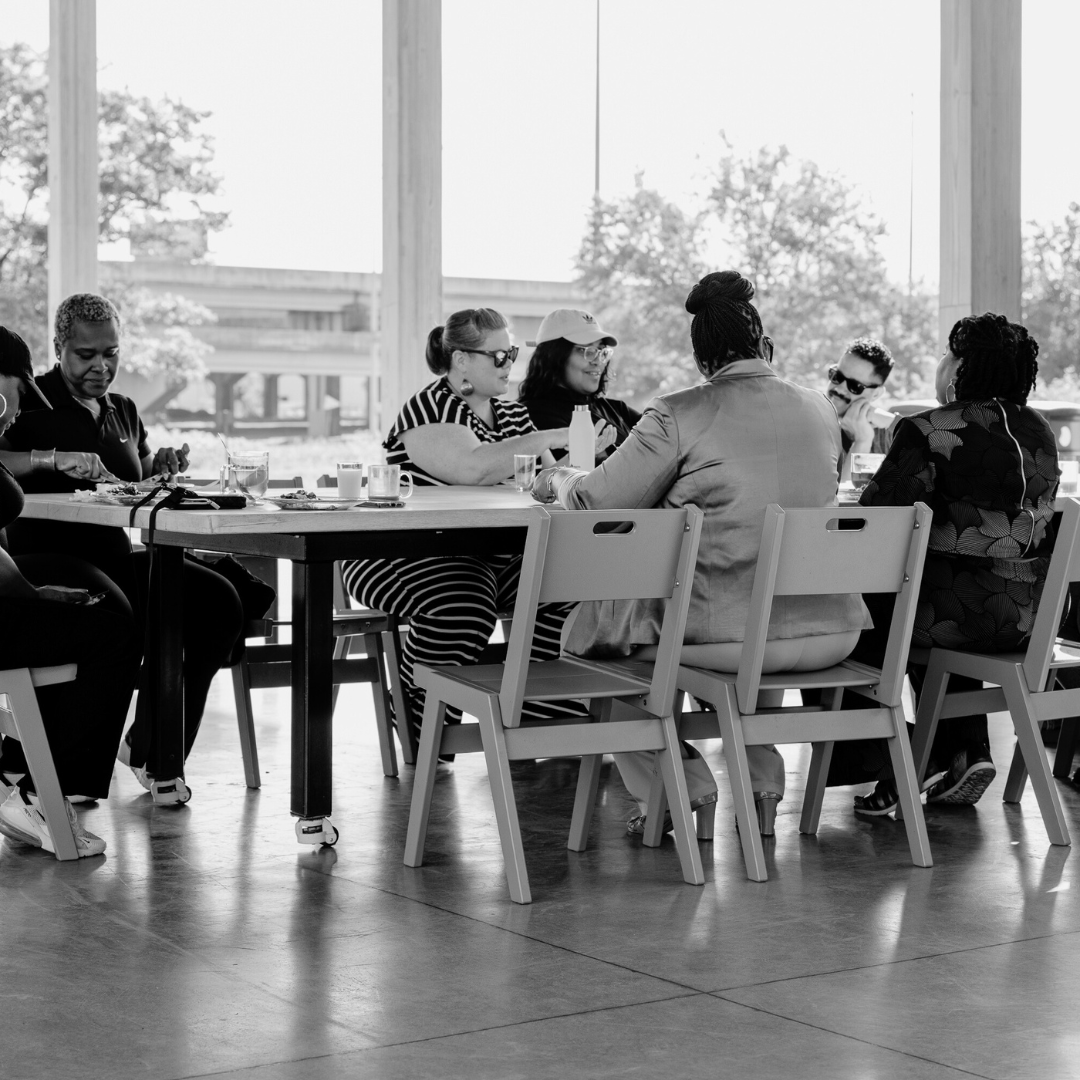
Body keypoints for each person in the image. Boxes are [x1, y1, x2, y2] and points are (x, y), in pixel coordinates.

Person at [532, 271, 871, 836]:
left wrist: (559, 477)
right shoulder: (819, 410)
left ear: (702, 360)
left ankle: (683, 787)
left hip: (729, 639)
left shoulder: (679, 411)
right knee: (753, 601)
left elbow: (596, 500)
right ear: (764, 347)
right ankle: (762, 786)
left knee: (595, 644)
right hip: (832, 631)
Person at [0, 294, 246, 805]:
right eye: (86, 355)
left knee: (217, 602)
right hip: (49, 555)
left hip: (112, 553)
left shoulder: (124, 409)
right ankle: (52, 779)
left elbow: (130, 479)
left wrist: (161, 464)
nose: (101, 366)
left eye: (110, 353)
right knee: (127, 616)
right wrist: (51, 459)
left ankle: (153, 750)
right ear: (59, 347)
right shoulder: (28, 397)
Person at [341, 307, 597, 735]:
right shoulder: (426, 408)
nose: (509, 364)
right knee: (464, 603)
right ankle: (421, 722)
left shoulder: (512, 414)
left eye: (511, 353)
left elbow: (548, 481)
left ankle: (535, 705)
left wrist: (584, 461)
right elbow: (472, 468)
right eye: (498, 356)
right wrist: (550, 437)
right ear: (461, 359)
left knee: (575, 583)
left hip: (490, 558)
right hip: (400, 553)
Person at [838, 313, 1057, 814]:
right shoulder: (1038, 430)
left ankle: (907, 758)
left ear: (961, 366)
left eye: (945, 353)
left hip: (952, 618)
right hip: (1028, 619)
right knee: (946, 583)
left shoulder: (929, 429)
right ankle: (964, 750)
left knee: (861, 606)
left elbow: (877, 519)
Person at [0, 330, 141, 856]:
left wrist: (30, 588)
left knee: (107, 605)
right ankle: (43, 796)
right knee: (115, 632)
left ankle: (24, 778)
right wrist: (32, 594)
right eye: (16, 393)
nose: (15, 413)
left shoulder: (122, 410)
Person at [517, 308, 637, 462]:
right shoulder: (529, 415)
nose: (597, 361)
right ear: (553, 357)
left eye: (601, 351)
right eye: (584, 350)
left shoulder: (616, 409)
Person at [826, 337, 897, 471]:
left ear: (875, 394)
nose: (840, 388)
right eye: (837, 376)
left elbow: (940, 442)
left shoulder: (889, 435)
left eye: (854, 386)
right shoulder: (810, 428)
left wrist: (892, 421)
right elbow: (834, 491)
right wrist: (862, 441)